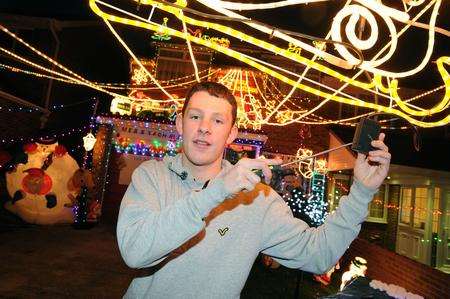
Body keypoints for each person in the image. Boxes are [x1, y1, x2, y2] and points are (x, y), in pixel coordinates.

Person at [117, 81, 391, 298]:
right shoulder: (151, 177)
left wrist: (362, 193)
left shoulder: (257, 200)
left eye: (217, 121)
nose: (203, 128)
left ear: (232, 133)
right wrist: (215, 193)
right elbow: (135, 252)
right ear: (179, 123)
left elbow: (319, 255)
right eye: (195, 116)